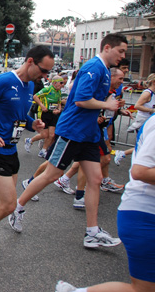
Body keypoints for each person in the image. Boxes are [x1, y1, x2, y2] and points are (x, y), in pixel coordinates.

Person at [8, 33, 128, 249]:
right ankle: (17, 207)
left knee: (95, 178)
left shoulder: (103, 69)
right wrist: (107, 105)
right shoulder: (95, 67)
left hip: (89, 133)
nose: (123, 56)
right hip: (73, 131)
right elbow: (81, 100)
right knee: (52, 174)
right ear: (108, 47)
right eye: (120, 51)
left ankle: (92, 232)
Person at [0, 46, 53, 263]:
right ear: (30, 61)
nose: (45, 76)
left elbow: (20, 114)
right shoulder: (2, 81)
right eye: (43, 70)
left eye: (48, 73)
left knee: (0, 200)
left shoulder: (30, 84)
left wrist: (34, 123)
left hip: (11, 149)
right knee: (8, 204)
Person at [56, 114, 155, 292]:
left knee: (99, 166)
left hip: (93, 137)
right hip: (145, 213)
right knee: (143, 289)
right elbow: (141, 171)